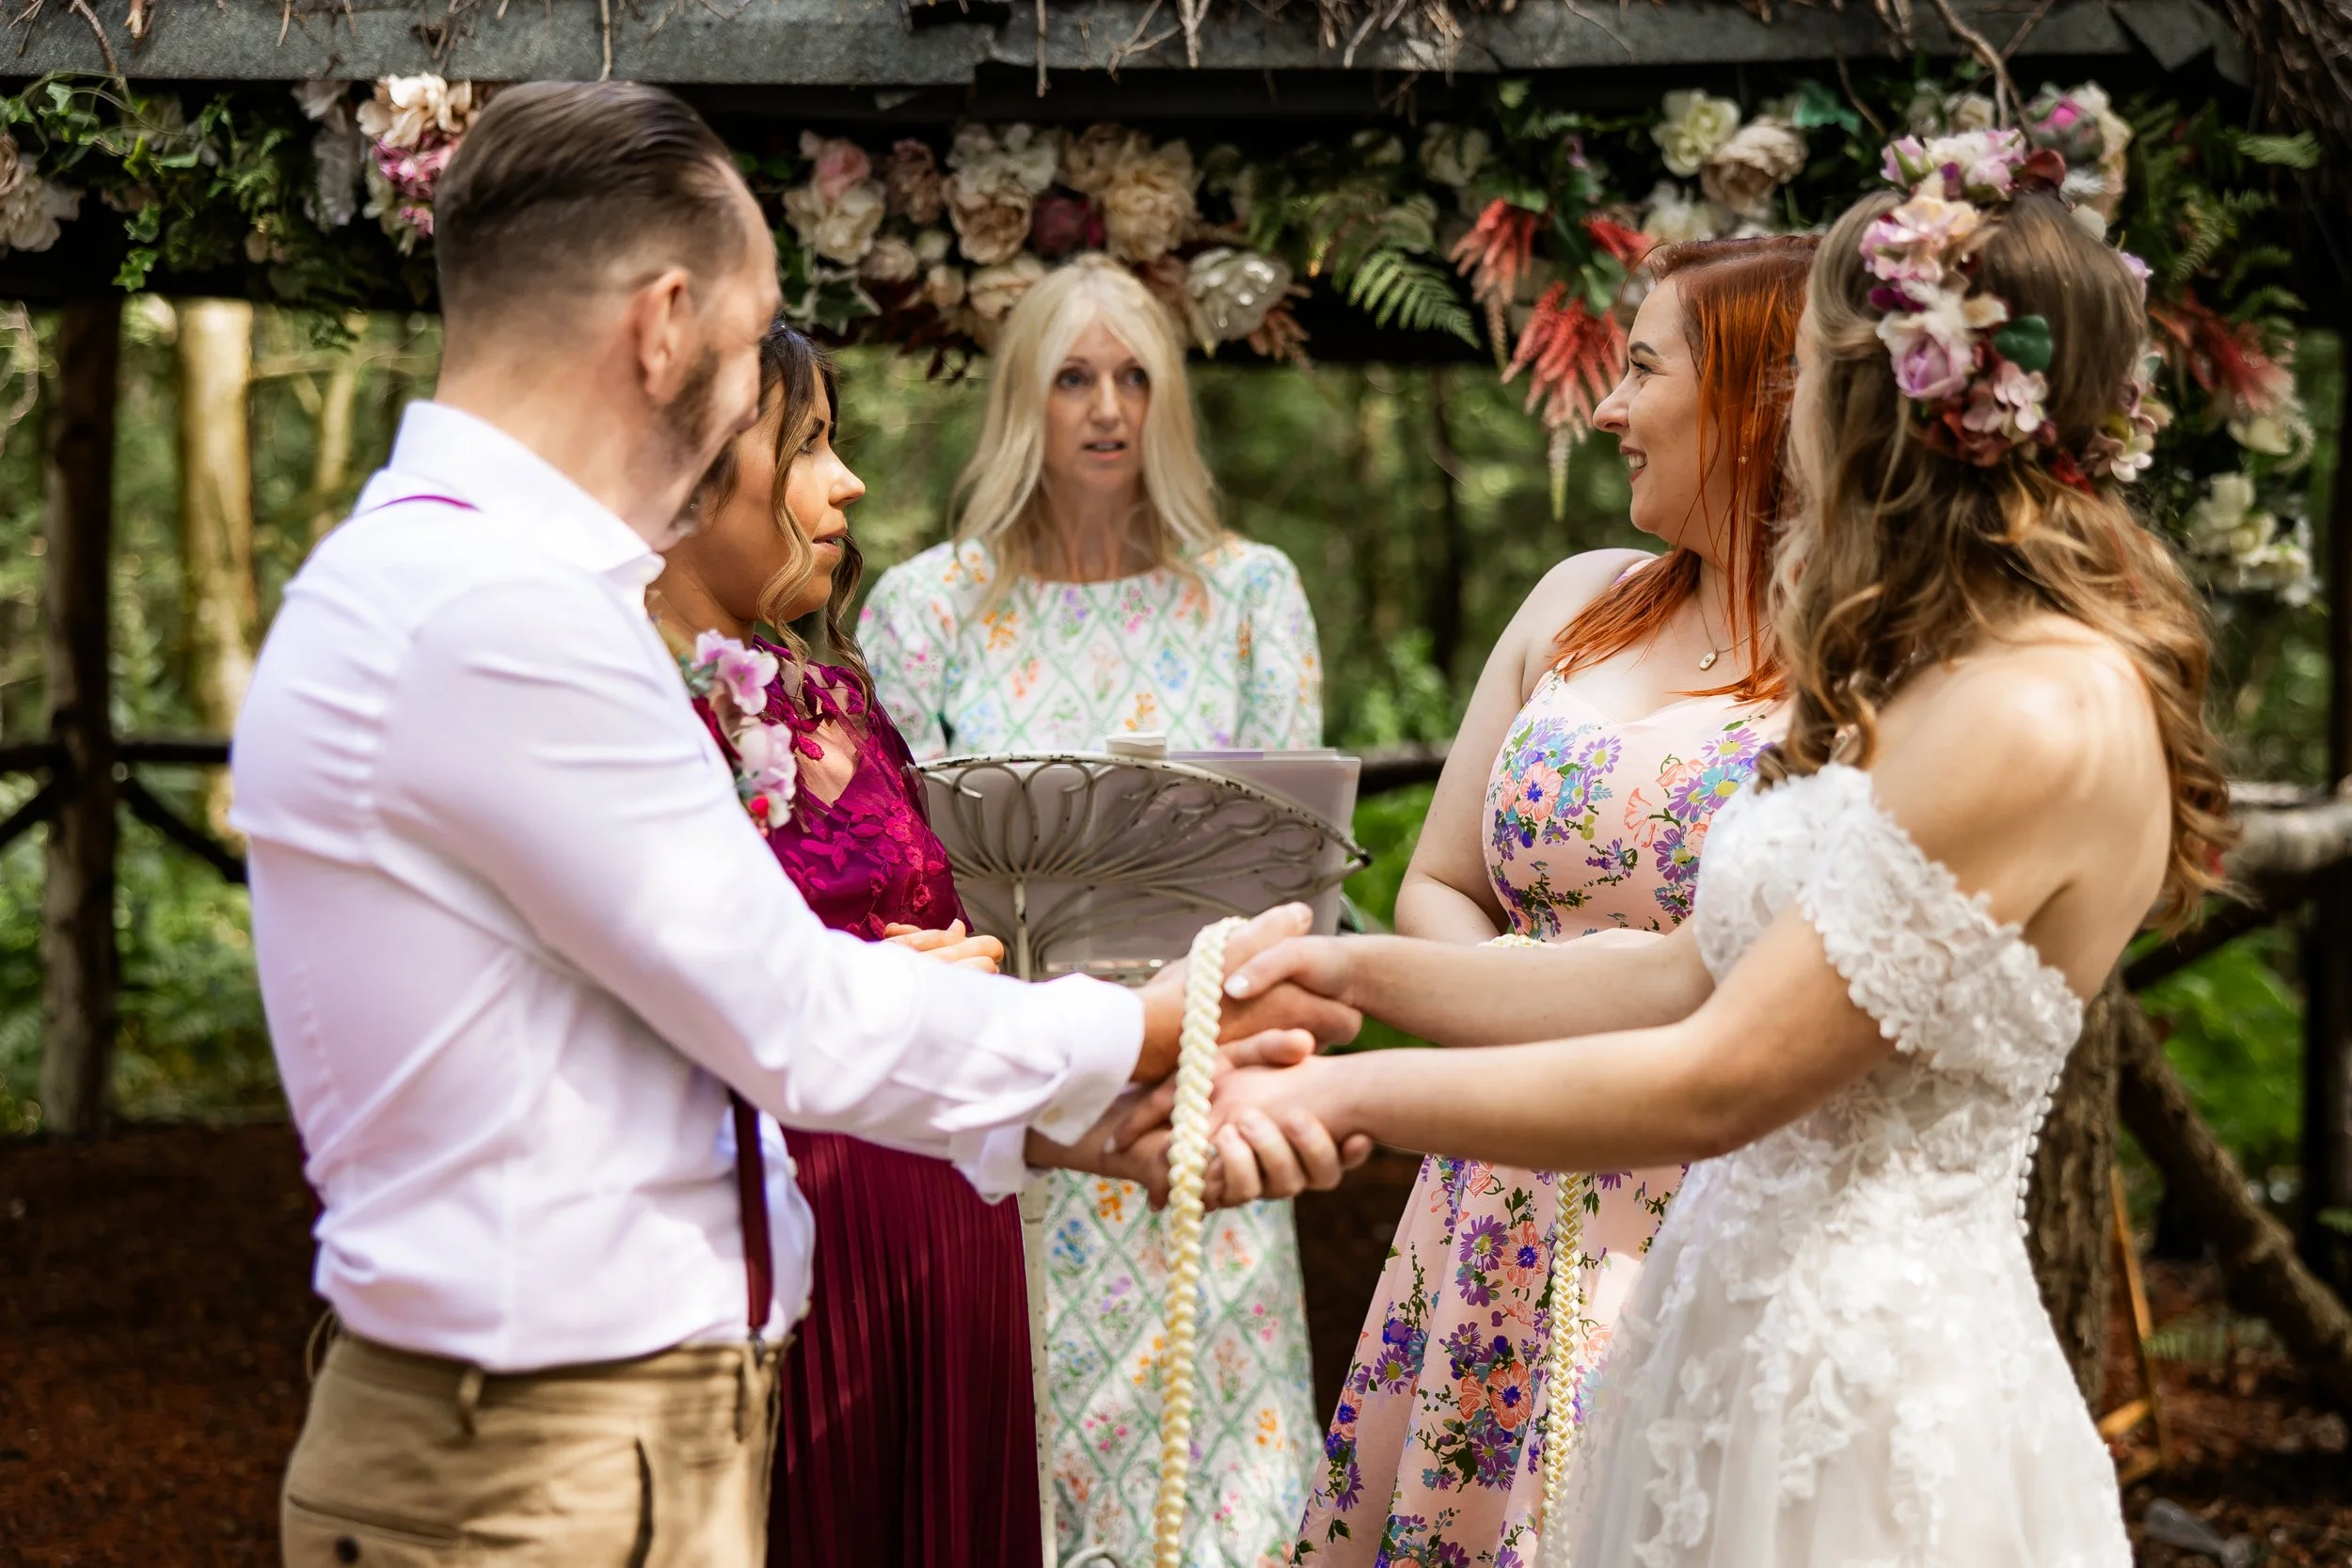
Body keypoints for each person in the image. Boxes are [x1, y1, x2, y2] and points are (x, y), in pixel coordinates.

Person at [232, 83, 1362, 1568]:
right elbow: (790, 1011)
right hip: (539, 1463)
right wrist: (1140, 1031)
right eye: (754, 329)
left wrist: (1069, 1131)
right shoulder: (499, 619)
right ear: (664, 326)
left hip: (585, 1431)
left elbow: (673, 1060)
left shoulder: (452, 584)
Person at [1205, 135, 2226, 1563]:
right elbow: (1684, 977)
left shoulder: (2032, 708)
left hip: (1857, 1394)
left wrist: (1338, 1100)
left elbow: (1718, 1075)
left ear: (1889, 402)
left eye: (1806, 366)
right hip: (1732, 1341)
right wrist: (1336, 965)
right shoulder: (1934, 673)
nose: (1789, 403)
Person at [1293, 234, 1814, 1568]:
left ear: (1757, 396)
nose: (1606, 404)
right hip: (1494, 1177)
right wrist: (1522, 1026)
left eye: (1641, 368)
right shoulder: (1576, 601)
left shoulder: (1855, 665)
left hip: (1696, 1190)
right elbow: (1440, 884)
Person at [862, 254, 1325, 1566]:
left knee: (1214, 1485)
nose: (1108, 406)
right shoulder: (930, 606)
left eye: (1135, 376)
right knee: (1021, 1470)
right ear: (1025, 401)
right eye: (1074, 377)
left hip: (1204, 1087)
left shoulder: (1251, 593)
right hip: (1018, 1105)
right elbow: (894, 884)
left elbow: (1296, 877)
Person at [649, 323, 1102, 1568]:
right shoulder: (626, 719)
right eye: (806, 448)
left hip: (949, 1226)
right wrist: (870, 983)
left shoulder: (834, 697)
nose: (846, 482)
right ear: (686, 481)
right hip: (801, 1261)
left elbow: (947, 928)